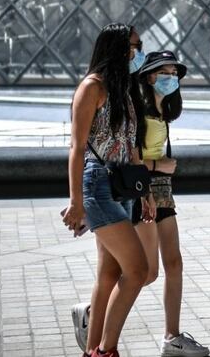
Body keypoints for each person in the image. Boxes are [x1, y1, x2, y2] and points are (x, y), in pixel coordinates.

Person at [62, 23, 155, 357]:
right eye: (133, 46)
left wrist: (145, 192)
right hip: (98, 185)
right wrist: (76, 202)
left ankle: (92, 351)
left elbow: (131, 149)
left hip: (123, 186)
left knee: (109, 274)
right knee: (138, 270)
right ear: (115, 48)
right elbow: (77, 147)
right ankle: (106, 349)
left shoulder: (123, 90)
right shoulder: (92, 88)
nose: (138, 52)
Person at [135, 50, 209, 357]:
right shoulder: (138, 109)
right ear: (150, 76)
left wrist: (160, 173)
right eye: (165, 74)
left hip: (162, 189)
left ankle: (172, 337)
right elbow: (131, 157)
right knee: (147, 272)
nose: (172, 79)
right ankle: (93, 310)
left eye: (175, 74)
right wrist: (159, 168)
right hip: (143, 189)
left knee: (174, 263)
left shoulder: (163, 108)